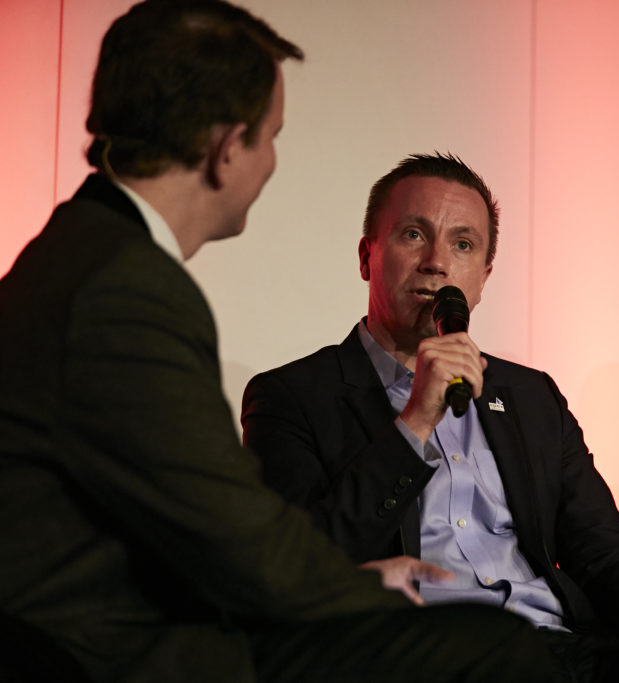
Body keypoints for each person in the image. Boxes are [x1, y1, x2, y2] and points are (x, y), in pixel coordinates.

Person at [0, 2, 557, 682]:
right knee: (496, 645)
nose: (270, 164)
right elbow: (227, 534)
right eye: (272, 138)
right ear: (227, 148)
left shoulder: (82, 253)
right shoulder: (126, 288)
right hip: (109, 651)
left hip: (107, 627)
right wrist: (365, 590)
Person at [241, 152, 619, 681]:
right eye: (413, 235)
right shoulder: (293, 397)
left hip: (562, 646)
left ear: (483, 278)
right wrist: (415, 420)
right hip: (418, 655)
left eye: (463, 244)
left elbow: (598, 543)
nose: (436, 261)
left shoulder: (530, 396)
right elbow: (300, 566)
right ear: (367, 256)